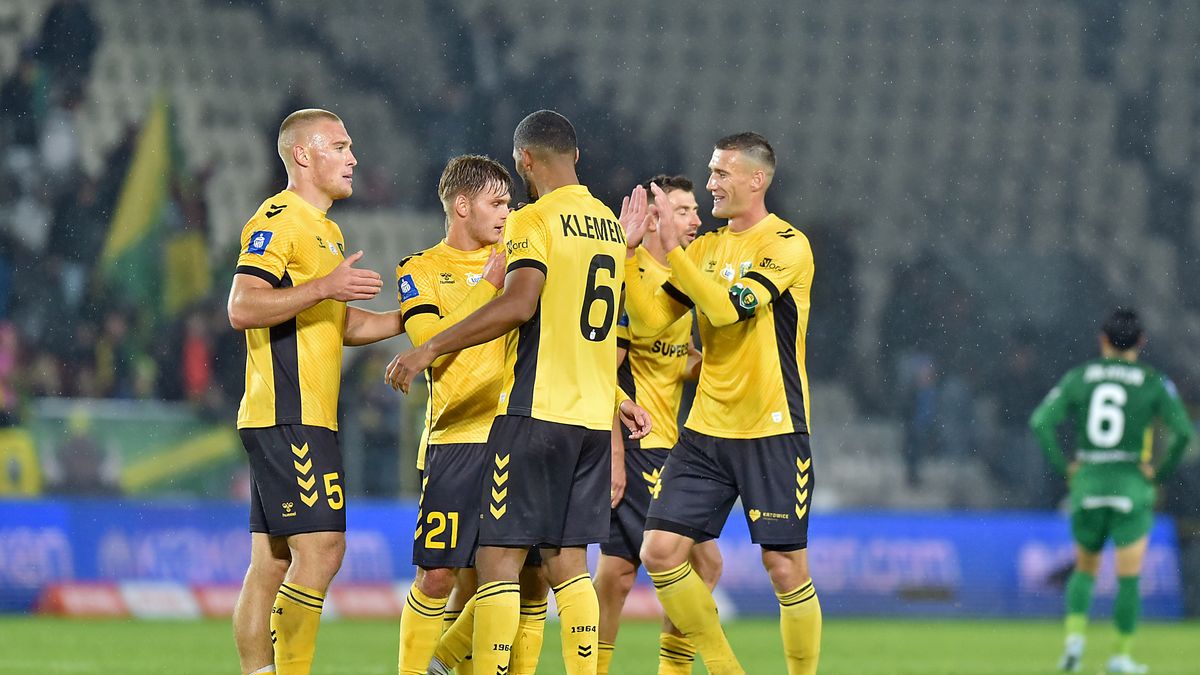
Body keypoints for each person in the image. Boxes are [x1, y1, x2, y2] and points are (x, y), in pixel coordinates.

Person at [386, 109, 652, 675]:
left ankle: (455, 665)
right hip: (585, 421)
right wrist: (617, 402)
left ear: (524, 161)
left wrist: (430, 349)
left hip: (534, 413)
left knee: (501, 563)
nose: (507, 210)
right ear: (575, 155)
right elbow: (586, 329)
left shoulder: (534, 220)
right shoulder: (609, 228)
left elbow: (521, 303)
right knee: (568, 566)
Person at [623, 133, 820, 675]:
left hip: (772, 427)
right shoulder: (705, 249)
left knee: (784, 567)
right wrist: (630, 253)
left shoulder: (786, 244)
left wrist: (675, 252)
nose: (710, 183)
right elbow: (649, 321)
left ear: (757, 179)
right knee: (659, 552)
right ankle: (725, 668)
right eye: (710, 171)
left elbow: (728, 310)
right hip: (706, 430)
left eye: (721, 173)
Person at [227, 108, 404, 675]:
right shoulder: (278, 219)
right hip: (289, 412)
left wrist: (414, 317)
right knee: (324, 549)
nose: (353, 158)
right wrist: (325, 285)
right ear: (303, 155)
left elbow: (342, 324)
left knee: (272, 563)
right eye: (340, 146)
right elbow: (242, 306)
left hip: (300, 415)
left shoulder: (327, 231)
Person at [393, 154, 547, 675]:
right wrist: (488, 284)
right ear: (462, 206)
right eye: (496, 203)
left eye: (510, 203)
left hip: (517, 436)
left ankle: (450, 662)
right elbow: (427, 345)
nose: (507, 213)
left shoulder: (522, 265)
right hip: (454, 440)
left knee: (526, 578)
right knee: (439, 577)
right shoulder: (419, 268)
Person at [593, 174, 723, 675]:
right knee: (704, 564)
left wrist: (722, 365)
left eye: (695, 210)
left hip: (669, 444)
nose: (696, 220)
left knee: (617, 575)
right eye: (683, 210)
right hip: (639, 444)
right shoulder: (629, 278)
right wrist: (615, 456)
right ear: (652, 219)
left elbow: (678, 358)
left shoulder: (679, 282)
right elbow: (605, 368)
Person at [1030, 308, 1193, 675]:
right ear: (1141, 341)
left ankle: (1074, 643)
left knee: (1085, 567)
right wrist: (1159, 474)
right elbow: (1183, 433)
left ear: (1102, 339)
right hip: (1130, 484)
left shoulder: (1080, 376)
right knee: (1128, 575)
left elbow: (1040, 422)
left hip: (1089, 480)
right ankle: (1120, 656)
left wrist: (1065, 468)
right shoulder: (1152, 381)